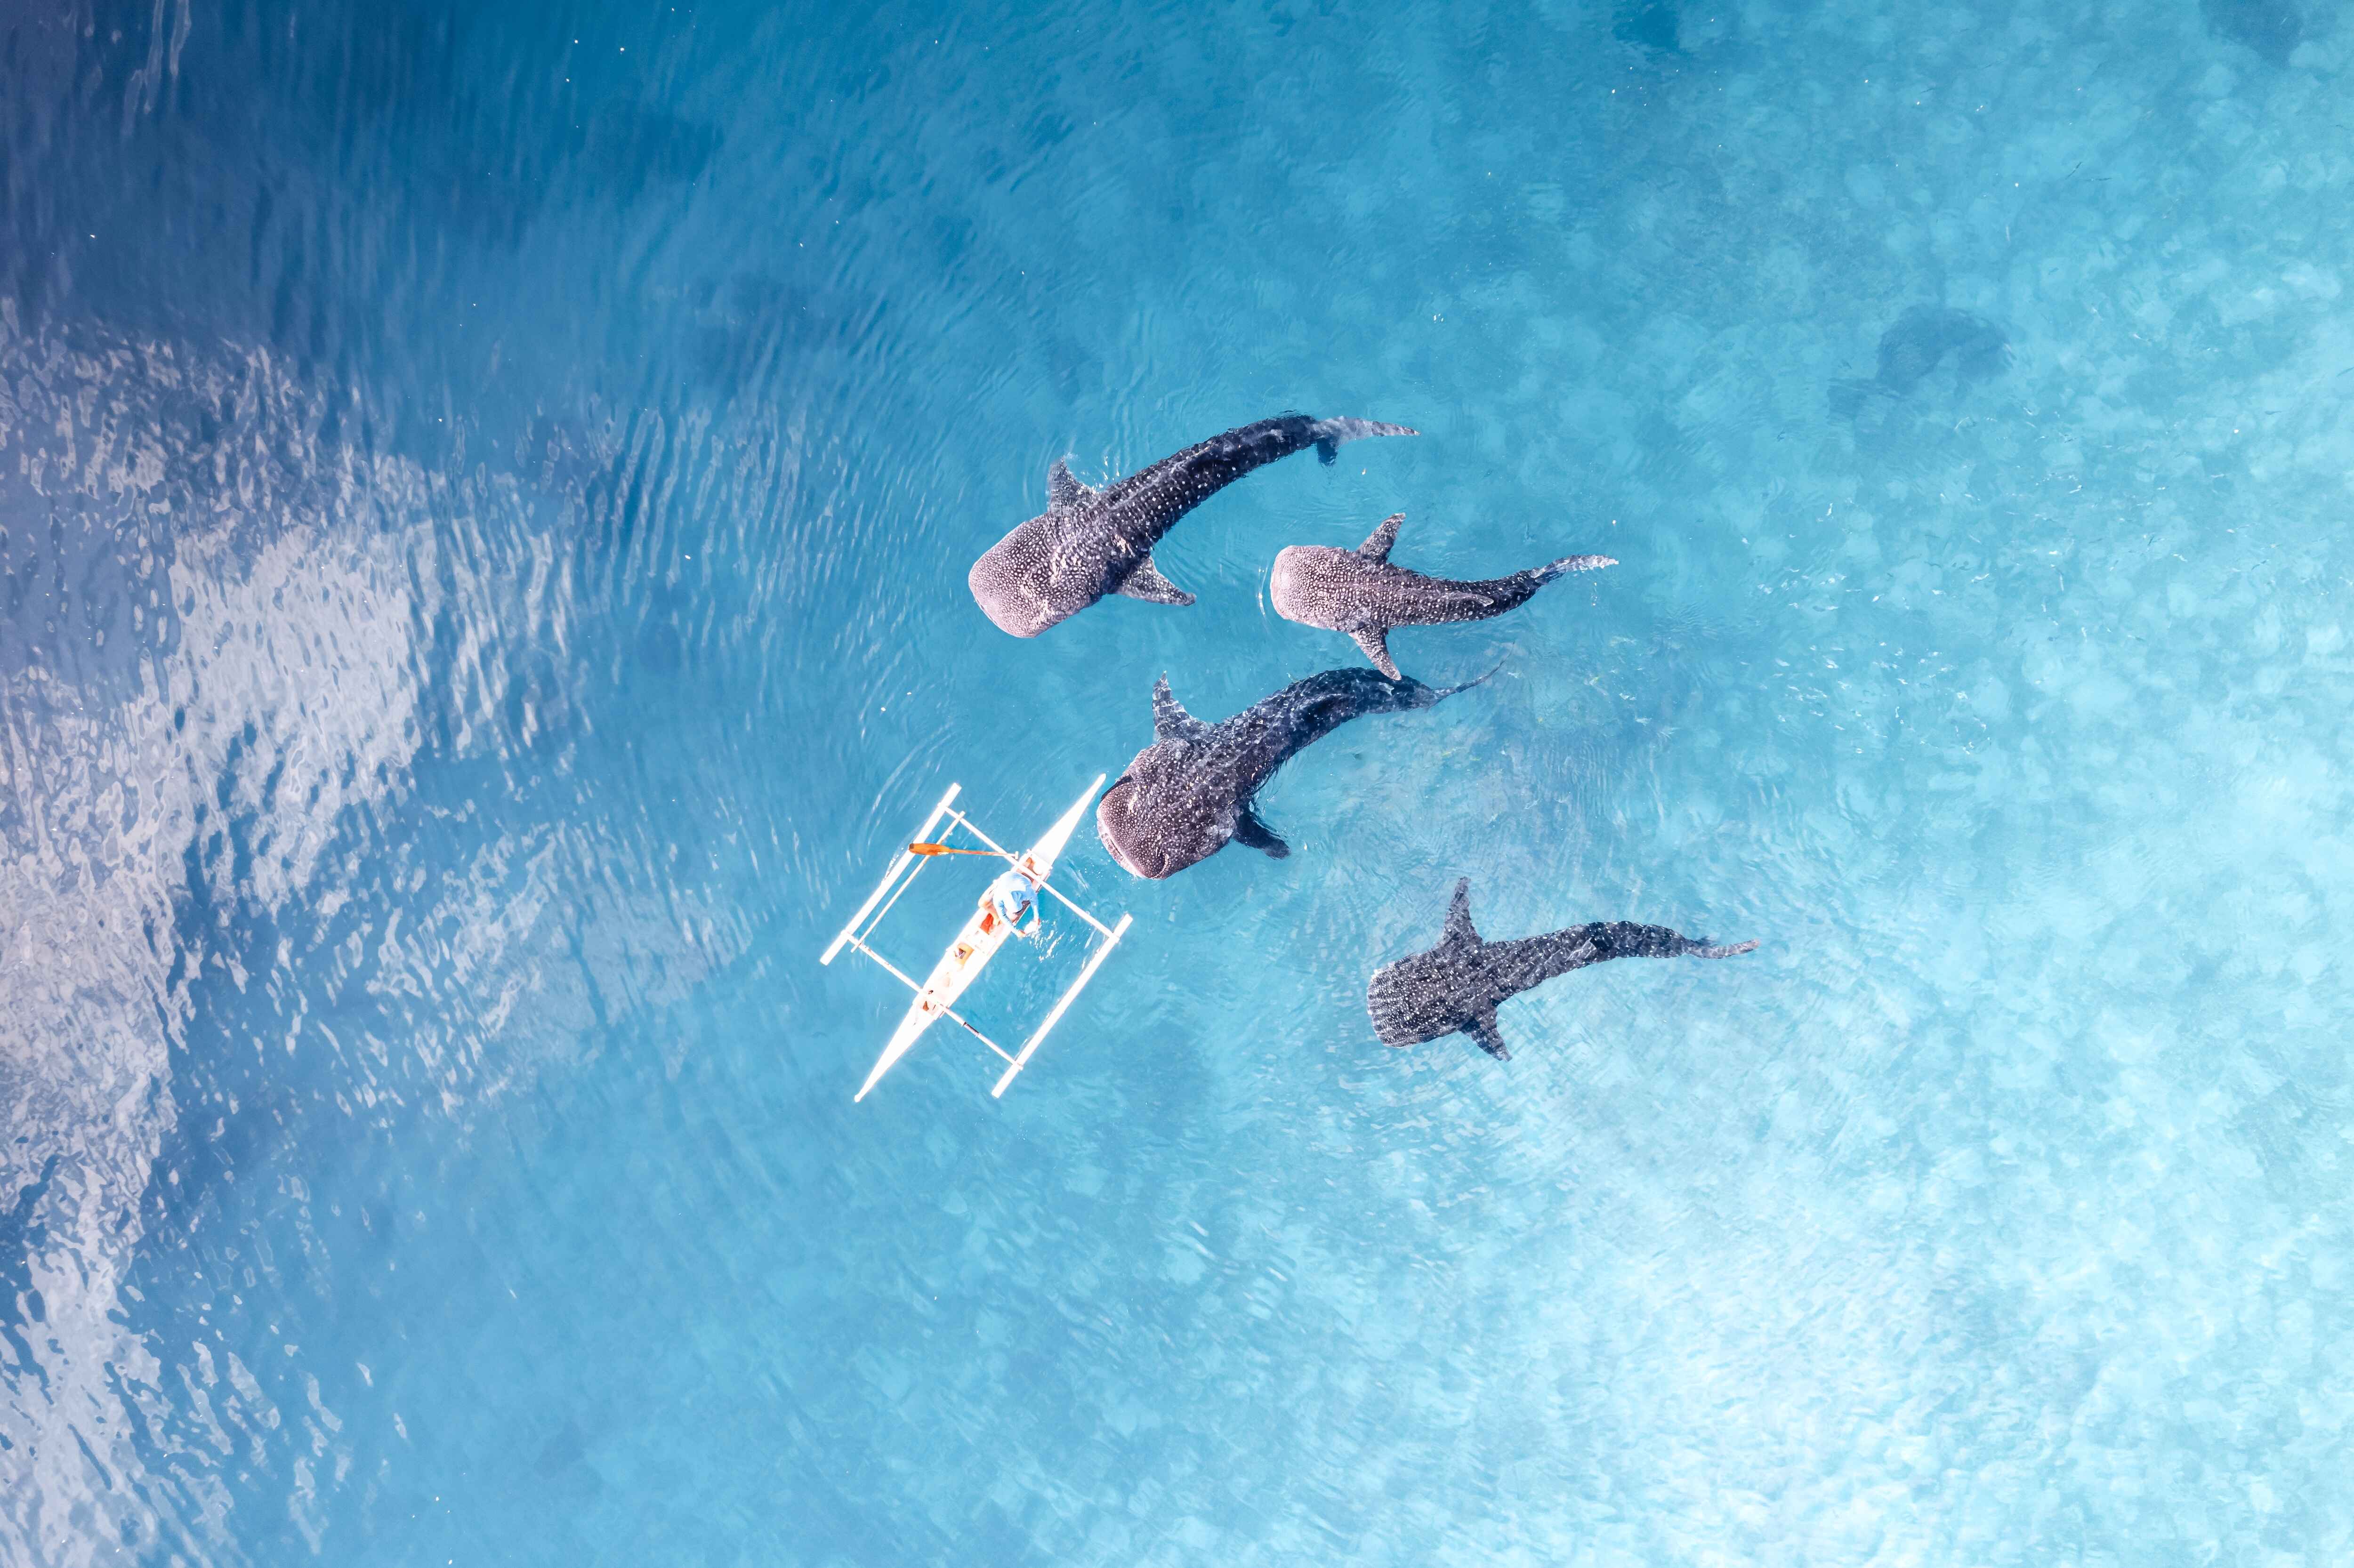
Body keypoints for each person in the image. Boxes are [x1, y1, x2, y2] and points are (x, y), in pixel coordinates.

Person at [981, 866, 1041, 936]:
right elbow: (1002, 916)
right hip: (1008, 887)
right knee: (983, 904)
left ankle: (1000, 919)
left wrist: (1036, 918)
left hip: (1019, 889)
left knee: (1010, 916)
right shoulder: (998, 900)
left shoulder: (1027, 892)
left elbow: (1034, 900)